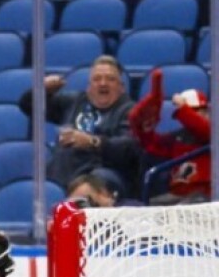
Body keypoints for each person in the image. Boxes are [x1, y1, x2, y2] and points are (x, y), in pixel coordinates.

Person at [20, 54, 140, 198]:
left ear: (122, 88)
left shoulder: (130, 110)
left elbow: (129, 146)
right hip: (62, 173)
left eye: (110, 79)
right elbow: (28, 106)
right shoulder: (75, 101)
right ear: (89, 87)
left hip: (102, 176)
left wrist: (92, 142)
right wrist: (42, 88)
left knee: (90, 185)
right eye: (97, 79)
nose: (103, 83)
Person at [128, 68, 211, 206]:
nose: (193, 115)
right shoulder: (179, 137)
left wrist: (184, 110)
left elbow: (203, 129)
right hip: (177, 194)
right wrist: (144, 129)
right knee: (147, 207)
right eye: (191, 112)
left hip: (206, 195)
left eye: (197, 111)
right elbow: (153, 146)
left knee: (193, 202)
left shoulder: (212, 134)